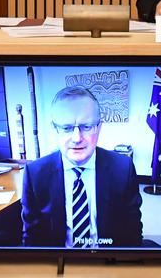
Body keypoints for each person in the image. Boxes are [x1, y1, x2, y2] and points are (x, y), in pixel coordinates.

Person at [21, 86, 143, 248]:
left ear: (99, 127)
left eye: (86, 127)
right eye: (66, 128)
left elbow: (132, 234)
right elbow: (32, 239)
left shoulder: (123, 169)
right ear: (55, 129)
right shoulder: (35, 174)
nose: (77, 138)